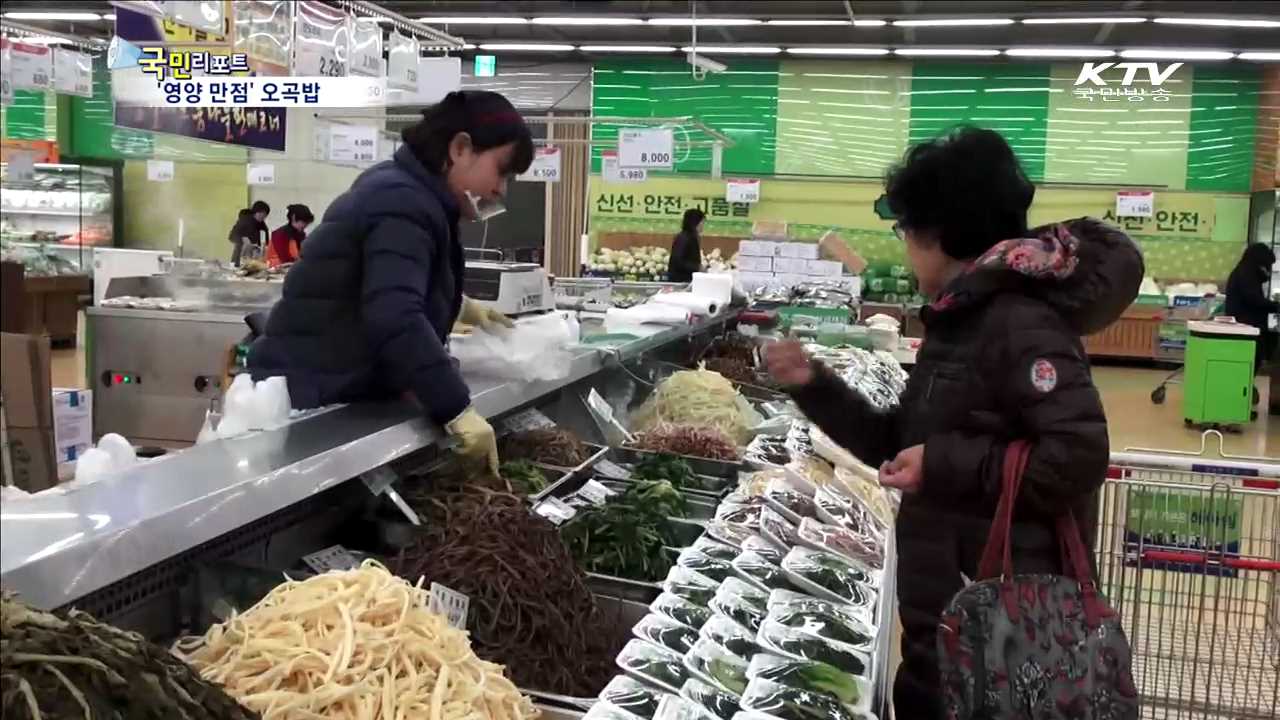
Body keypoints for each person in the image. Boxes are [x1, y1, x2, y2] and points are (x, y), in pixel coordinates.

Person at [764, 127, 1143, 718]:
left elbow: (1079, 454)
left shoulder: (1017, 322)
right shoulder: (964, 319)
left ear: (937, 233)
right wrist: (813, 385)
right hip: (954, 623)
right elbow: (900, 444)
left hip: (1003, 638)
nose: (904, 247)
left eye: (905, 230)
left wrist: (941, 463)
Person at [248, 91, 533, 473]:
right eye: (501, 170)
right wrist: (456, 408)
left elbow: (383, 280)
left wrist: (460, 305)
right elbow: (395, 313)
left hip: (327, 391)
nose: (501, 189)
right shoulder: (403, 201)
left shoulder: (409, 191)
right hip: (307, 401)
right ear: (461, 148)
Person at [1224, 243, 1278, 374]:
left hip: (1244, 324)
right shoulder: (1246, 273)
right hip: (1245, 326)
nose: (1267, 269)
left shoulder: (1245, 270)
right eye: (1266, 265)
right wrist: (1276, 306)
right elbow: (1254, 300)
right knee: (1247, 366)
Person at [265, 203, 314, 268]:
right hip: (275, 268)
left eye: (307, 223)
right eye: (303, 222)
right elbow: (285, 259)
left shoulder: (301, 234)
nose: (305, 225)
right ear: (293, 218)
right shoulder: (280, 235)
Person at [667, 208, 705, 283]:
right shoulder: (684, 238)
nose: (703, 225)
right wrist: (696, 267)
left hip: (687, 279)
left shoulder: (691, 236)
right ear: (695, 222)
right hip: (680, 280)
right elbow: (677, 261)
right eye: (702, 222)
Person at [228, 200, 270, 266]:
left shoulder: (262, 225)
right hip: (239, 258)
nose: (264, 217)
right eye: (263, 214)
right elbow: (231, 236)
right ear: (257, 212)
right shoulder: (244, 220)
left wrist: (264, 248)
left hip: (255, 258)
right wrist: (242, 239)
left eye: (265, 215)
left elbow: (266, 242)